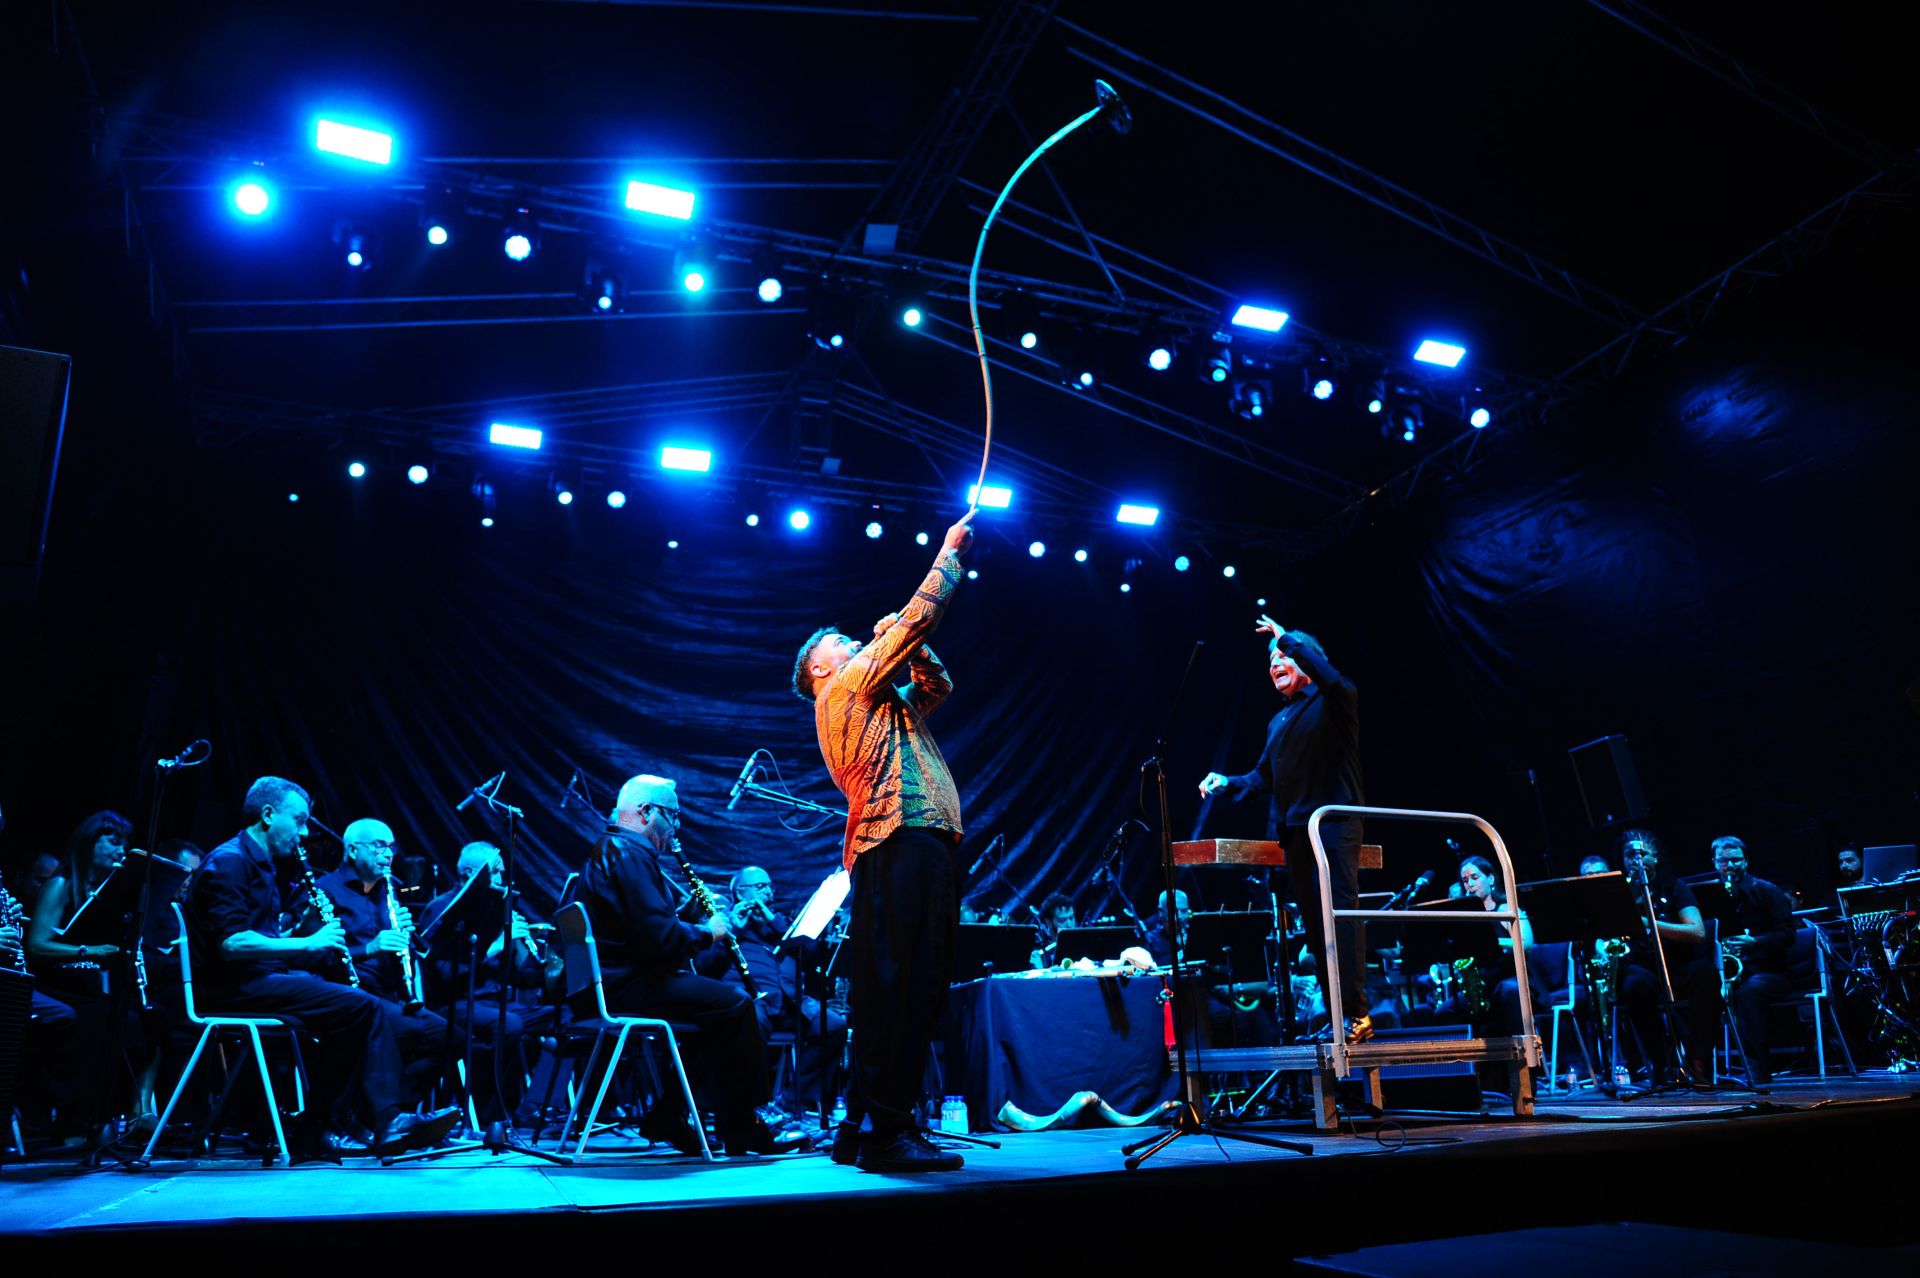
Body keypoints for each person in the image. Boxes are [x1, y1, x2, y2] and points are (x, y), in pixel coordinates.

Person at [794, 510, 973, 1172]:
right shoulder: (846, 688)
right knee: (906, 986)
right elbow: (915, 621)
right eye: (840, 642)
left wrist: (908, 649)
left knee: (891, 986)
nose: (853, 643)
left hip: (904, 842)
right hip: (900, 838)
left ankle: (863, 1126)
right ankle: (888, 1133)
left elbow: (938, 685)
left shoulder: (879, 701)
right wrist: (949, 554)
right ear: (820, 668)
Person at [182, 777, 457, 1161]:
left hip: (262, 978)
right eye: (299, 820)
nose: (304, 833)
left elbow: (263, 939)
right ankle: (383, 1121)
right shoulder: (230, 862)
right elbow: (232, 945)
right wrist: (310, 943)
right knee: (362, 1006)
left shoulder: (261, 865)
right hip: (233, 986)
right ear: (268, 815)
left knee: (355, 1012)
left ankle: (319, 1129)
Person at [576, 773, 805, 1156]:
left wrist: (682, 916)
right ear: (647, 812)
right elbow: (660, 942)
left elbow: (642, 928)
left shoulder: (613, 850)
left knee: (715, 1017)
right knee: (738, 1005)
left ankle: (669, 1115)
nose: (677, 826)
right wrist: (707, 932)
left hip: (612, 981)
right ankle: (744, 1124)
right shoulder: (631, 856)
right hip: (625, 985)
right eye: (673, 815)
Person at [1198, 615, 1367, 1042]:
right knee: (1315, 926)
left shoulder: (1334, 699)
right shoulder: (1279, 722)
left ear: (1305, 659)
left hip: (1333, 822)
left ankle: (1357, 1014)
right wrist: (1226, 782)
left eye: (1282, 657)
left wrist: (1284, 637)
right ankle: (1337, 1018)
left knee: (1339, 914)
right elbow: (1263, 778)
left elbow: (1331, 678)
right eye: (1270, 660)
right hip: (1295, 833)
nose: (1274, 664)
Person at [24, 809, 158, 1139]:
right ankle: (76, 1119)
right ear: (89, 843)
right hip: (55, 984)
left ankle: (134, 1112)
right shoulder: (61, 885)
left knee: (143, 1021)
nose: (120, 850)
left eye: (124, 843)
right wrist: (90, 951)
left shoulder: (107, 894)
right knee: (99, 1020)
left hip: (85, 985)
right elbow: (37, 945)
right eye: (112, 841)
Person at [312, 818, 450, 1106]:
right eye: (378, 846)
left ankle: (393, 1111)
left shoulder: (387, 892)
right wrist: (369, 948)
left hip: (387, 994)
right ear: (352, 850)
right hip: (345, 993)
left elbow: (404, 953)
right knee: (408, 1030)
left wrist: (406, 939)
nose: (388, 854)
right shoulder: (323, 891)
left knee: (449, 1037)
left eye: (390, 847)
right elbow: (312, 957)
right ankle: (367, 1111)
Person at [419, 841, 558, 1123]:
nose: (502, 879)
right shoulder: (442, 908)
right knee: (509, 1025)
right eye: (496, 872)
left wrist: (537, 958)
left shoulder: (492, 910)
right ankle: (491, 1116)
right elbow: (446, 974)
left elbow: (520, 979)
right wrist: (496, 945)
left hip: (493, 1002)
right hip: (453, 1004)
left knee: (565, 1016)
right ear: (472, 873)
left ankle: (533, 1105)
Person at [699, 865, 848, 1116]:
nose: (767, 891)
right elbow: (703, 964)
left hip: (789, 1003)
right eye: (760, 887)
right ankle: (745, 1109)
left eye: (769, 886)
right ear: (740, 892)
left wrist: (773, 921)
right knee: (749, 1020)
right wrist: (733, 928)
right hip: (748, 1001)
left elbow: (811, 956)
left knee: (832, 1026)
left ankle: (789, 1102)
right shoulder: (722, 922)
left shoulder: (783, 926)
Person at [1682, 836, 1795, 1085]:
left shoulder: (1766, 891)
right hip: (1729, 970)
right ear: (1714, 863)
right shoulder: (1707, 896)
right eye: (1724, 861)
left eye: (1736, 860)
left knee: (1747, 995)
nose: (1730, 866)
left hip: (1770, 971)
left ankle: (1757, 1070)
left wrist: (1755, 942)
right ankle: (1700, 1068)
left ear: (1746, 861)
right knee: (1700, 990)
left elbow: (1788, 934)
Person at [1608, 829, 1705, 1079]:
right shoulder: (1621, 895)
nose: (1636, 860)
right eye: (1630, 855)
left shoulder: (1674, 888)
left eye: (1643, 854)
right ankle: (1660, 1064)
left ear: (1656, 857)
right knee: (1634, 985)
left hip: (1679, 963)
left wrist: (1651, 924)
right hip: (1642, 966)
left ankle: (1699, 1060)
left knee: (1705, 975)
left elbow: (1697, 931)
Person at [1029, 893, 1076, 969]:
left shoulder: (1081, 944)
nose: (1069, 924)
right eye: (1062, 920)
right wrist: (1039, 970)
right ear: (1048, 922)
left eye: (1071, 918)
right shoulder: (1040, 952)